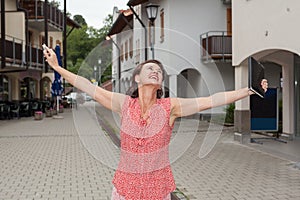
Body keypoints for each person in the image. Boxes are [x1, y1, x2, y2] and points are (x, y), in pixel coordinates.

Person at [43, 46, 268, 200]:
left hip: (157, 189)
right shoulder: (124, 104)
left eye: (159, 71)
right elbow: (89, 86)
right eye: (150, 68)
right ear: (137, 78)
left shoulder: (171, 107)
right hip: (125, 189)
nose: (155, 71)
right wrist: (57, 68)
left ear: (161, 83)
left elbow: (211, 100)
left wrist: (247, 90)